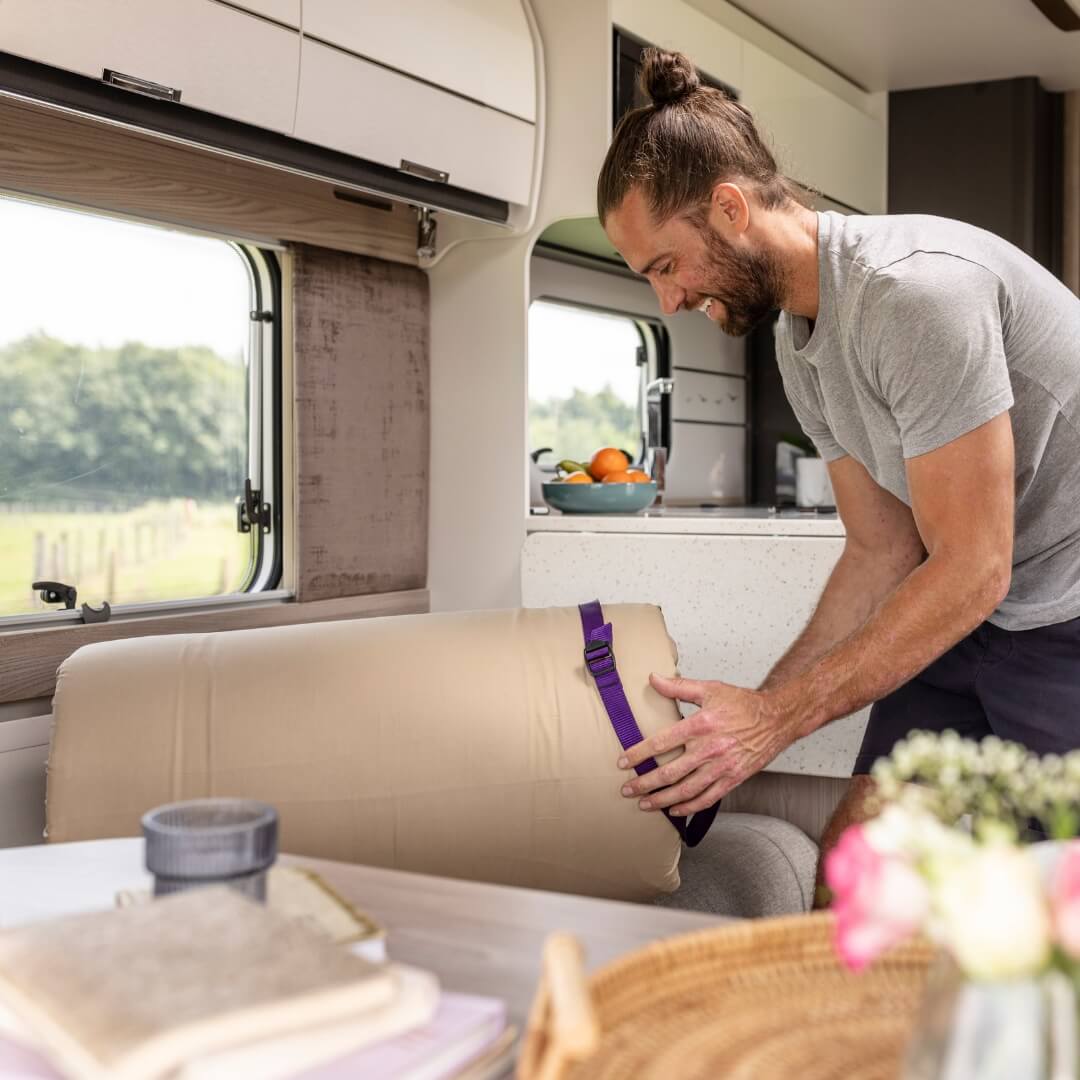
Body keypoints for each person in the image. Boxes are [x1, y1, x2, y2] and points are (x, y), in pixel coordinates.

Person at [598, 47, 1080, 880]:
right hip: (982, 614)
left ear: (730, 208)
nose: (667, 301)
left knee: (1051, 905)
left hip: (1066, 612)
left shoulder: (915, 296)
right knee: (856, 867)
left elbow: (974, 566)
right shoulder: (799, 340)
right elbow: (882, 548)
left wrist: (773, 722)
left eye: (666, 267)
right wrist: (753, 717)